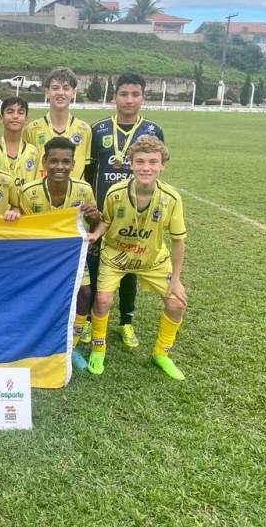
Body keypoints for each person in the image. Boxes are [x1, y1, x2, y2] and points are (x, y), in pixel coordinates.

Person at [85, 135, 187, 380]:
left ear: (163, 165)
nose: (146, 168)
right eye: (140, 162)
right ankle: (99, 349)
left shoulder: (171, 198)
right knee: (103, 301)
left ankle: (161, 354)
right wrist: (95, 235)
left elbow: (178, 239)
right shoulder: (116, 192)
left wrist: (176, 279)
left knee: (177, 303)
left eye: (153, 162)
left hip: (152, 260)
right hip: (116, 255)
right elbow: (107, 221)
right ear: (130, 164)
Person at [85, 71, 165, 348]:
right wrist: (91, 208)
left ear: (143, 97)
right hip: (100, 214)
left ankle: (126, 323)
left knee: (131, 266)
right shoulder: (97, 130)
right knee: (96, 266)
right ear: (114, 96)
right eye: (124, 93)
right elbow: (89, 171)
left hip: (135, 215)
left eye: (135, 94)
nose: (129, 100)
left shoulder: (153, 131)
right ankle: (89, 322)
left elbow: (154, 169)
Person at [19, 136, 100, 369]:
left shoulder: (83, 190)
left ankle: (70, 346)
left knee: (85, 293)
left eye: (66, 162)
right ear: (44, 162)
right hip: (39, 256)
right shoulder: (29, 191)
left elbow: (94, 222)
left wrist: (93, 216)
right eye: (54, 161)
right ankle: (33, 341)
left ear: (73, 164)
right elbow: (24, 230)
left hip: (70, 256)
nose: (60, 167)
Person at [23, 67, 92, 181]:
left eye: (66, 88)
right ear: (47, 92)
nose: (60, 93)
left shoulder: (85, 130)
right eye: (55, 88)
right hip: (40, 196)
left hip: (74, 196)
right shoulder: (31, 129)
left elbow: (88, 169)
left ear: (73, 93)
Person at [0, 96, 41, 188]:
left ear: (26, 119)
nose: (15, 116)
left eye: (20, 112)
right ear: (1, 118)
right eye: (10, 112)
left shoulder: (33, 151)